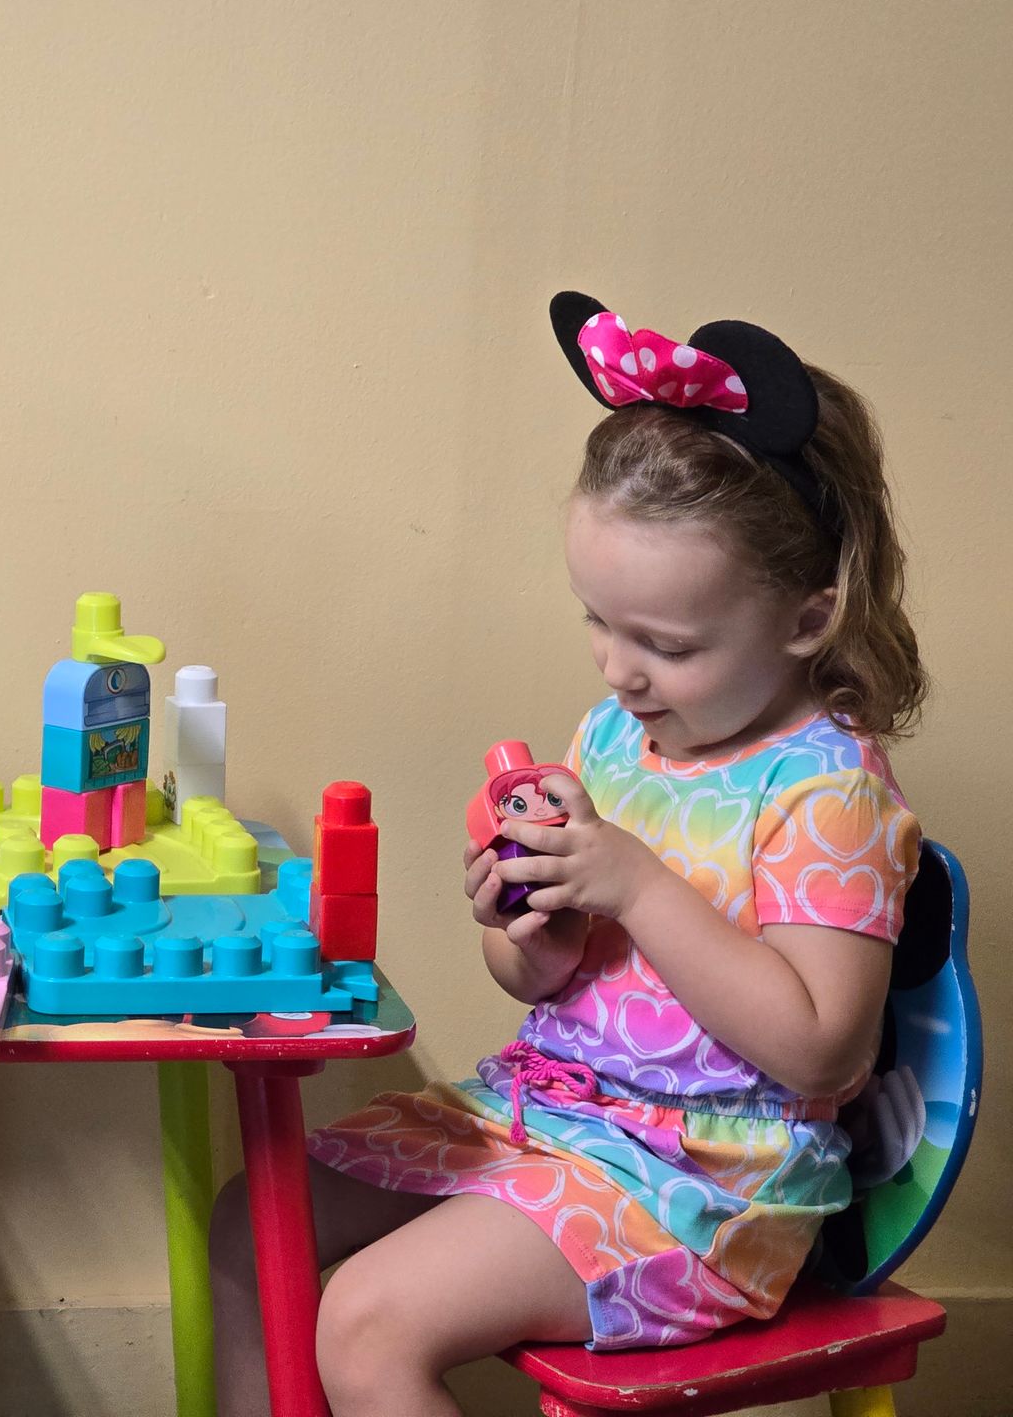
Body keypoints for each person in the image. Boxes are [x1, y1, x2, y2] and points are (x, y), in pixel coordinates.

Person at [211, 291, 928, 1416]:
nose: (619, 671)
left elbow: (825, 1053)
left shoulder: (826, 791)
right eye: (598, 621)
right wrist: (523, 926)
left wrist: (636, 883)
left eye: (668, 644)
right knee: (252, 1220)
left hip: (706, 1182)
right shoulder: (616, 738)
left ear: (805, 619)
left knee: (367, 1322)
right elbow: (542, 986)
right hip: (547, 1110)